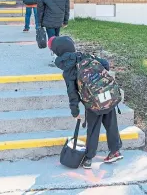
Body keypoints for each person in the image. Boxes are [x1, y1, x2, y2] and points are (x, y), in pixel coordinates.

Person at [48, 36, 124, 170]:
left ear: (58, 51)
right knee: (111, 124)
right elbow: (105, 64)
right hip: (107, 96)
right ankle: (115, 151)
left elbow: (72, 93)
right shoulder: (85, 55)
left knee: (93, 129)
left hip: (92, 103)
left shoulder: (68, 69)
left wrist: (75, 112)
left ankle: (89, 159)